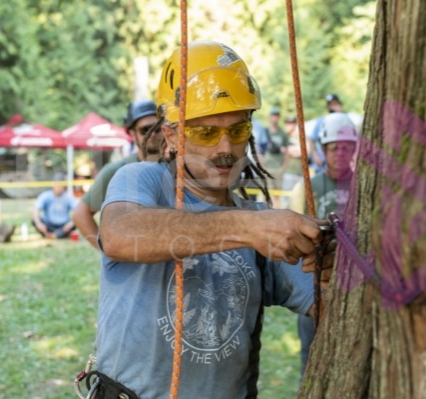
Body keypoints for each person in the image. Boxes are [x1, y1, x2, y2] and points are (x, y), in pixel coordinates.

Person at [91, 40, 334, 399]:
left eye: (237, 131)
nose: (225, 149)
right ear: (172, 136)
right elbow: (120, 233)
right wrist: (246, 227)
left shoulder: (260, 223)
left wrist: (334, 263)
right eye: (205, 132)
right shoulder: (144, 180)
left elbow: (328, 298)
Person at [288, 112, 359, 377]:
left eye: (346, 147)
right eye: (334, 147)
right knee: (312, 353)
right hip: (317, 287)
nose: (340, 153)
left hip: (356, 285)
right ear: (324, 149)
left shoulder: (365, 187)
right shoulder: (308, 188)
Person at [72, 100, 161, 249]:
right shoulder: (116, 171)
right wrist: (106, 251)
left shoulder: (175, 167)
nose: (153, 134)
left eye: (157, 129)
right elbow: (80, 214)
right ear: (132, 133)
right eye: (145, 130)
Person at [307, 93, 348, 173]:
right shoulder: (322, 120)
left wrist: (340, 112)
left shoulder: (345, 120)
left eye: (335, 104)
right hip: (322, 165)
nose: (333, 106)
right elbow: (311, 140)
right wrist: (315, 156)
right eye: (331, 104)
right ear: (328, 107)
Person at [32, 172, 78, 239]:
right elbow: (36, 210)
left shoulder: (68, 197)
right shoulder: (45, 195)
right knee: (34, 220)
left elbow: (78, 210)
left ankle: (56, 235)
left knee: (77, 221)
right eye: (56, 184)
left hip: (63, 225)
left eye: (60, 185)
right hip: (48, 224)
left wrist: (70, 224)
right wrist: (39, 223)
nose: (58, 187)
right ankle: (51, 234)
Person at [262, 107, 290, 208]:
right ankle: (264, 214)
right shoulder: (264, 132)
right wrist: (262, 166)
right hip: (267, 167)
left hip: (278, 167)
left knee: (277, 195)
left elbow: (287, 151)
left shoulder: (282, 133)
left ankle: (276, 213)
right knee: (266, 194)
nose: (275, 118)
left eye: (277, 116)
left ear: (279, 118)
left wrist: (284, 166)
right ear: (270, 117)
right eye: (273, 116)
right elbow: (259, 150)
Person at [280, 115, 303, 208]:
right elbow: (283, 150)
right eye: (287, 124)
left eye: (291, 123)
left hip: (300, 172)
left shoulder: (301, 136)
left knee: (299, 200)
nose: (289, 126)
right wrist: (296, 150)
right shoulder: (283, 136)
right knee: (286, 199)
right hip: (288, 172)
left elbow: (306, 151)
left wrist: (291, 150)